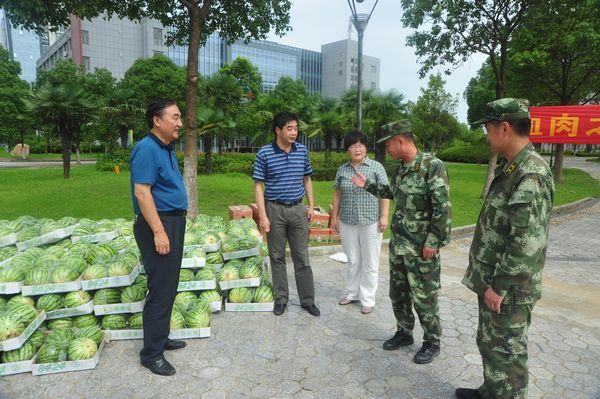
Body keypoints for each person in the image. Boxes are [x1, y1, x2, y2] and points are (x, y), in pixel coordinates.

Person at [456, 99, 554, 399]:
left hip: (509, 289)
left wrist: (499, 287)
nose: (486, 135)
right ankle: (491, 391)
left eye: (488, 127)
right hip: (495, 281)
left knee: (508, 354)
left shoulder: (531, 173)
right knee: (491, 344)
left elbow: (525, 242)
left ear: (505, 127)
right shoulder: (513, 166)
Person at [352, 119, 451, 364]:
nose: (386, 150)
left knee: (424, 296)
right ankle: (404, 333)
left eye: (387, 145)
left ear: (401, 140)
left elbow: (443, 208)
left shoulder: (432, 167)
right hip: (399, 245)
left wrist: (434, 241)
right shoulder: (401, 170)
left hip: (421, 249)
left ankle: (432, 341)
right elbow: (394, 194)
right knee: (399, 294)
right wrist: (369, 186)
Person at [130, 99, 188, 376]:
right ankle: (151, 355)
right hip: (159, 224)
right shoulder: (146, 149)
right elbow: (142, 192)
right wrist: (159, 231)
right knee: (160, 290)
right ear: (157, 120)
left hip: (172, 222)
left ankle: (160, 338)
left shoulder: (166, 148)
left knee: (168, 286)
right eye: (175, 117)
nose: (179, 123)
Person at [253, 111, 320, 317]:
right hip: (274, 209)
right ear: (278, 130)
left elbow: (307, 179)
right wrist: (263, 216)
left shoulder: (302, 151)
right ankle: (281, 298)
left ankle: (307, 300)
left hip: (298, 209)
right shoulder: (264, 153)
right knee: (277, 256)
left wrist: (311, 206)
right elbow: (258, 185)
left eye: (296, 128)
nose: (294, 132)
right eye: (289, 128)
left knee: (302, 257)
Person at [330, 130, 390, 314]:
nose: (357, 149)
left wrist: (384, 216)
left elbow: (385, 193)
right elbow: (338, 193)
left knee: (370, 262)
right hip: (347, 220)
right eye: (353, 145)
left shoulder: (376, 167)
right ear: (347, 149)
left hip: (370, 220)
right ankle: (352, 293)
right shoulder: (342, 169)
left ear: (366, 147)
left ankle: (368, 299)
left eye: (361, 145)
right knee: (353, 260)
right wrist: (334, 216)